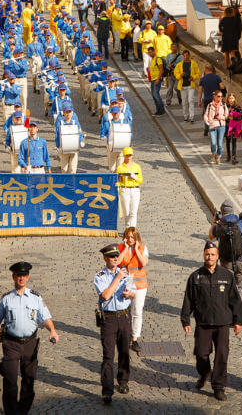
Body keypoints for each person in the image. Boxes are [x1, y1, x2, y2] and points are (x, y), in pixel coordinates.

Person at [0, 262, 59, 414]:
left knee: (29, 380)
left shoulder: (35, 298)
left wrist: (52, 330)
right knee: (10, 380)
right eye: (18, 275)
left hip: (30, 344)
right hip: (11, 343)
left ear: (28, 277)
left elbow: (45, 317)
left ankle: (23, 410)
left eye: (24, 275)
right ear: (13, 277)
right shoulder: (6, 299)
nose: (21, 278)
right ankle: (11, 412)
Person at [180, 241, 242, 402]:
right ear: (204, 255)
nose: (210, 257)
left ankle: (219, 386)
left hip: (222, 323)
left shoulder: (226, 275)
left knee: (222, 355)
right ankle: (204, 373)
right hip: (203, 323)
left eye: (213, 254)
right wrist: (185, 320)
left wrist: (238, 321)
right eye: (207, 254)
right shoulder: (195, 276)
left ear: (217, 256)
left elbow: (235, 300)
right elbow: (188, 299)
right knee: (201, 354)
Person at [94, 244, 136, 404]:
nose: (115, 259)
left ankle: (123, 381)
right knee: (108, 355)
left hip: (124, 316)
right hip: (109, 319)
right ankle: (107, 390)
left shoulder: (125, 273)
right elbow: (105, 295)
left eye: (117, 256)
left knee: (124, 351)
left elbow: (133, 292)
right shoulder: (100, 276)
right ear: (105, 258)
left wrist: (130, 294)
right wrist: (117, 279)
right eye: (112, 257)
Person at [118, 228, 149, 353]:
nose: (130, 240)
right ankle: (123, 334)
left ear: (136, 237)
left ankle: (135, 337)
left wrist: (136, 249)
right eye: (128, 237)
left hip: (140, 284)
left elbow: (143, 263)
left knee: (137, 311)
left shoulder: (142, 247)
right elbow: (118, 262)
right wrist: (125, 248)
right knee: (123, 310)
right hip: (125, 283)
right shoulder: (120, 247)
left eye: (132, 237)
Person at [209, 199, 242, 290]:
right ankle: (241, 304)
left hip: (226, 260)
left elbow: (211, 236)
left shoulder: (219, 225)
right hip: (241, 257)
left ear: (221, 213)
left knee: (227, 288)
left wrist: (214, 222)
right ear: (233, 211)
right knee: (241, 287)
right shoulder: (240, 223)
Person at [115, 147, 142, 229]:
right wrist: (118, 187)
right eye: (127, 155)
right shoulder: (120, 168)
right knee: (126, 212)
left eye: (130, 155)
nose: (129, 157)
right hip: (125, 189)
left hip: (135, 189)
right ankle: (127, 229)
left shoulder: (137, 167)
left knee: (133, 212)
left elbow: (140, 180)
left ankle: (133, 230)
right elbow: (117, 180)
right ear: (124, 155)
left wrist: (135, 178)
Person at [54, 104, 84, 173]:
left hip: (74, 149)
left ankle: (72, 183)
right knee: (64, 169)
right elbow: (57, 134)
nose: (68, 114)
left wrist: (81, 140)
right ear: (63, 113)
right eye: (66, 112)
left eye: (69, 112)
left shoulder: (75, 122)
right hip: (64, 149)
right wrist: (58, 146)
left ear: (72, 113)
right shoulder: (60, 123)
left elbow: (79, 132)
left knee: (73, 169)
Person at [198, 65, 225, 136]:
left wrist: (199, 101)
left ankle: (207, 128)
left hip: (206, 99)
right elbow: (222, 86)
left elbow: (200, 91)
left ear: (205, 70)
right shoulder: (217, 77)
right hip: (216, 99)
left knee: (206, 114)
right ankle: (216, 128)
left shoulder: (203, 79)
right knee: (217, 113)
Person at [174, 50, 200, 123]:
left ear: (189, 55)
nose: (185, 57)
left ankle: (192, 117)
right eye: (184, 56)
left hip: (190, 85)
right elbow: (176, 74)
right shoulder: (179, 64)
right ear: (183, 56)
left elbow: (197, 73)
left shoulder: (193, 63)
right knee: (184, 102)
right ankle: (185, 116)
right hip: (182, 85)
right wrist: (180, 75)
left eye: (187, 55)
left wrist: (193, 77)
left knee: (190, 100)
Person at [204, 91, 228, 165]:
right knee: (213, 142)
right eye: (218, 96)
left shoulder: (223, 105)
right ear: (214, 96)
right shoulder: (210, 105)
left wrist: (221, 117)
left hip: (221, 125)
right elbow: (206, 115)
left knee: (220, 144)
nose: (220, 98)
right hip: (212, 125)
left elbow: (226, 115)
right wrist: (207, 121)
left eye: (221, 96)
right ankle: (213, 154)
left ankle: (218, 157)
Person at [224, 93, 242, 164]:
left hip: (234, 127)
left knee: (234, 142)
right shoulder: (225, 106)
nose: (231, 100)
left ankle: (234, 157)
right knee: (227, 141)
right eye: (230, 98)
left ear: (234, 99)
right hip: (227, 126)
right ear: (227, 99)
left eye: (232, 98)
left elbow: (241, 116)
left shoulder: (237, 107)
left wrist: (234, 118)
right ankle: (228, 156)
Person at [147, 46, 166, 116]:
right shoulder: (152, 60)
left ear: (154, 51)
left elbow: (161, 70)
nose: (150, 54)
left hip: (156, 79)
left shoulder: (157, 59)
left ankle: (161, 110)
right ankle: (158, 110)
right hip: (152, 80)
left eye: (151, 52)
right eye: (149, 53)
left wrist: (158, 79)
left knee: (156, 94)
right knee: (154, 95)